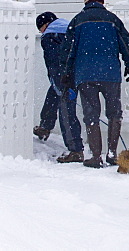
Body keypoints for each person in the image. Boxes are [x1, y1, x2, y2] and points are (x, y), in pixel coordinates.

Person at [61, 0, 129, 168]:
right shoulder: (112, 20)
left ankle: (96, 156)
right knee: (114, 113)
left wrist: (67, 73)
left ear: (86, 2)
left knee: (91, 115)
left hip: (85, 75)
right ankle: (111, 154)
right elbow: (126, 43)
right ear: (102, 2)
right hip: (110, 74)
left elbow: (68, 51)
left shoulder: (77, 21)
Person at [33, 11, 85, 163]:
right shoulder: (71, 29)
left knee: (66, 111)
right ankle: (45, 126)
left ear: (46, 25)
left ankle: (76, 150)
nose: (41, 32)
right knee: (52, 94)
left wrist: (61, 85)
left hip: (64, 77)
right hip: (81, 73)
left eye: (40, 29)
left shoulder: (50, 37)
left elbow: (54, 65)